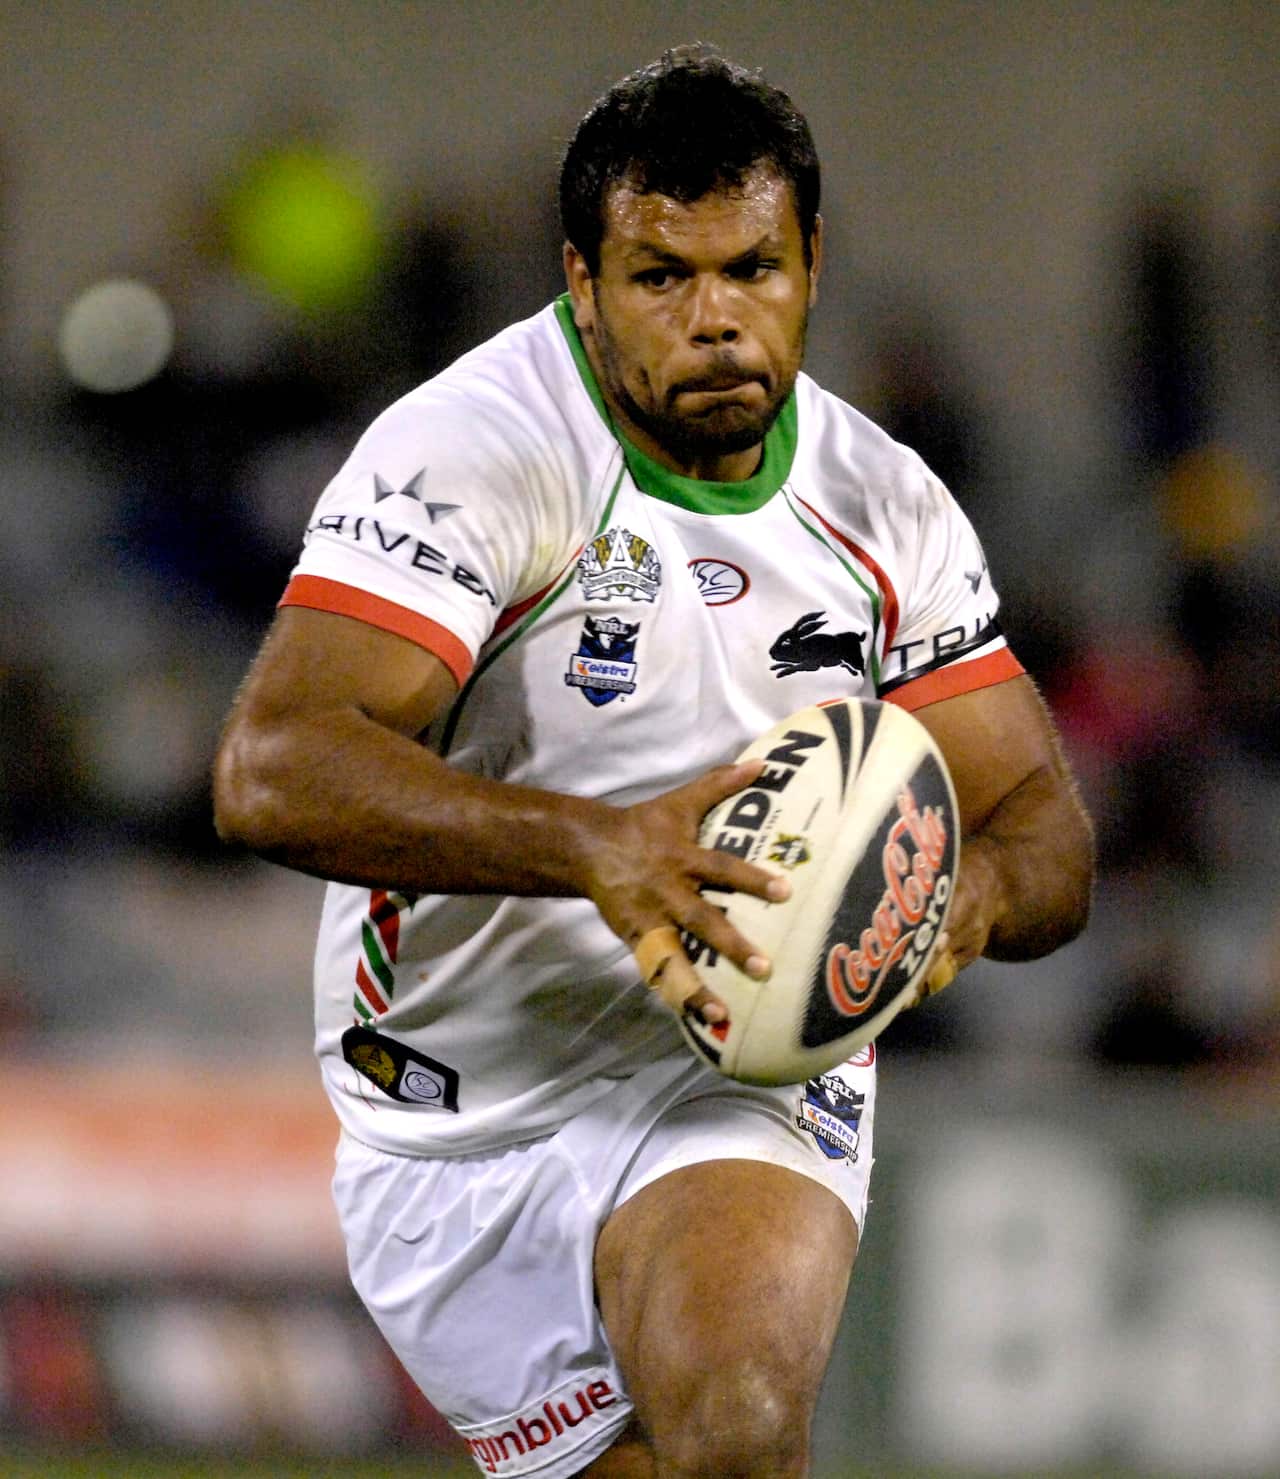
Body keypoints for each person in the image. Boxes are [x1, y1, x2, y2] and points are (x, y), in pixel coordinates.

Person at [214, 46, 1093, 1479]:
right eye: (660, 277)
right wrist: (596, 849)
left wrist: (963, 902)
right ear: (581, 278)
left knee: (739, 1428)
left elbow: (1042, 823)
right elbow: (270, 769)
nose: (717, 323)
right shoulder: (474, 451)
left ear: (812, 258)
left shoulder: (887, 506)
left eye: (753, 269)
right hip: (457, 1104)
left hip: (736, 1067)